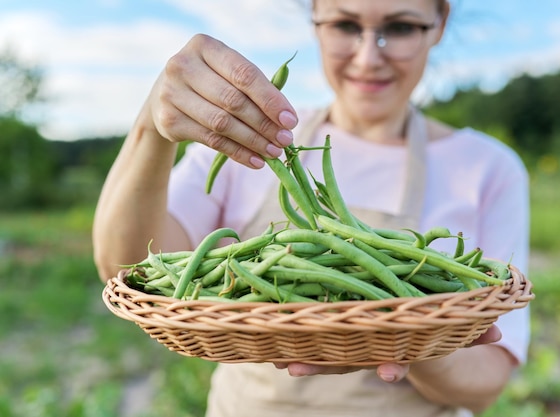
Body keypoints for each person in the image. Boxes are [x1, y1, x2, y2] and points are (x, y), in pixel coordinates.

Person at [93, 0, 531, 416]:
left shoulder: (489, 168)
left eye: (399, 28)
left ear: (440, 23)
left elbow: (487, 382)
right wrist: (150, 129)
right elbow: (130, 268)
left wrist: (408, 336)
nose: (367, 58)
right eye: (344, 25)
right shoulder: (246, 136)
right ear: (314, 19)